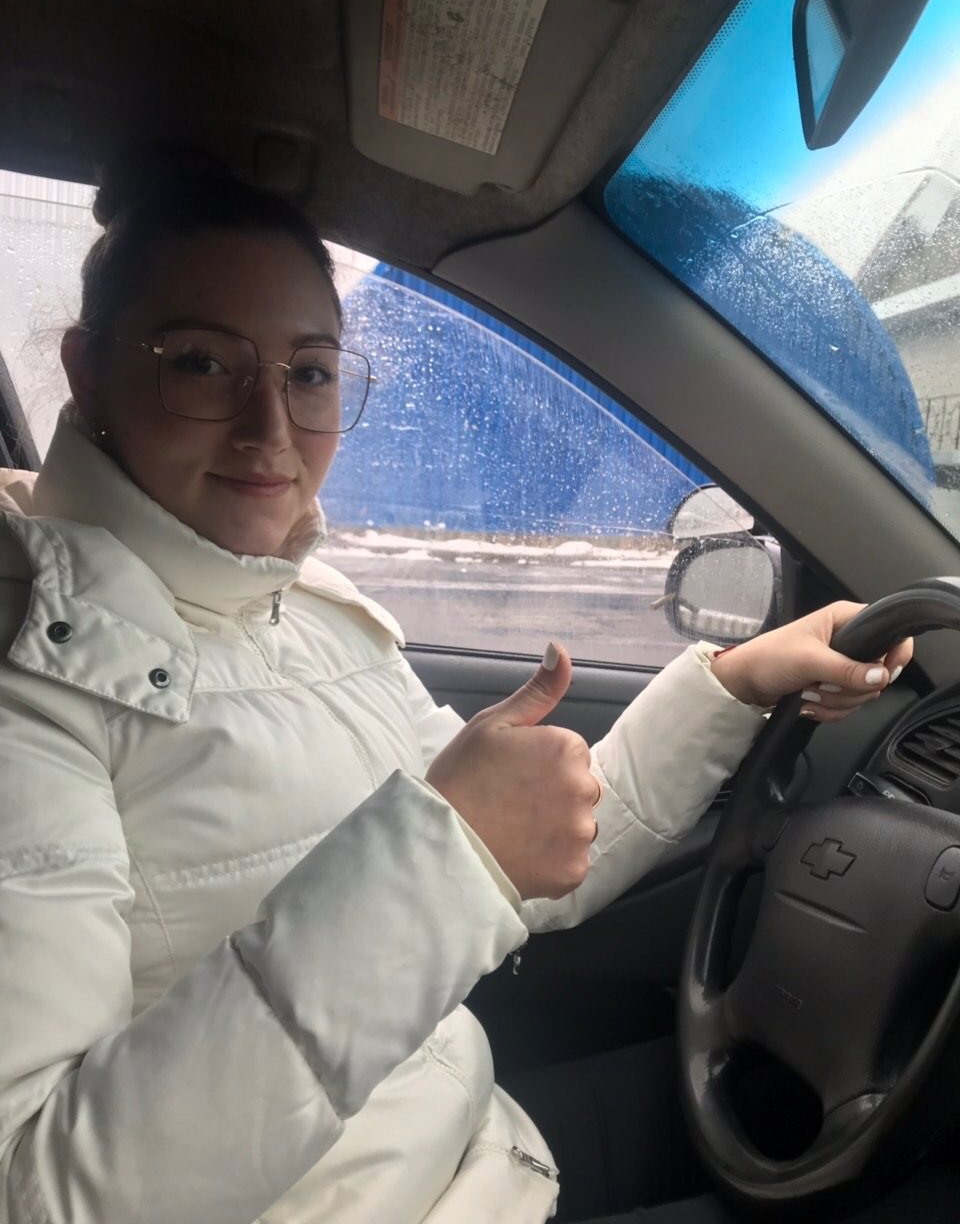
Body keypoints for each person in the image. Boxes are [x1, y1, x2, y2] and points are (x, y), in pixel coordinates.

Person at [0, 156, 915, 1224]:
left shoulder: (306, 608)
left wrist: (737, 682)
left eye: (310, 373)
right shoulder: (34, 685)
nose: (270, 430)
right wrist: (444, 859)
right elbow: (38, 1191)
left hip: (472, 1146)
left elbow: (523, 858)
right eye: (202, 363)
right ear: (87, 370)